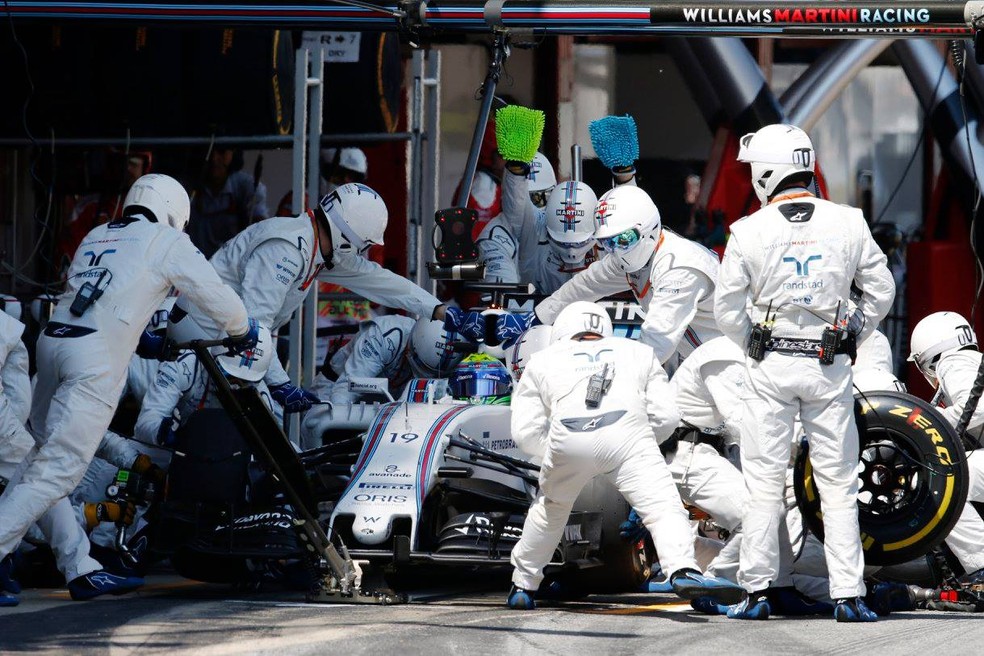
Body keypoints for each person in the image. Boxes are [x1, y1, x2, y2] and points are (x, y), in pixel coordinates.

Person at [0, 173, 259, 605]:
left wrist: (142, 339)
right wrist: (242, 329)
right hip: (93, 358)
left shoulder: (99, 234)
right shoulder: (166, 240)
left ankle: (79, 566)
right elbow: (213, 291)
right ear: (173, 212)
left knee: (39, 462)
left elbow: (102, 298)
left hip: (53, 344)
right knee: (55, 471)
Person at [714, 124, 895, 622]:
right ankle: (849, 596)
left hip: (770, 368)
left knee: (763, 484)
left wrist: (752, 340)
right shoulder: (849, 221)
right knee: (838, 485)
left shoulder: (748, 230)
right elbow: (881, 290)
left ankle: (756, 592)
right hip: (828, 366)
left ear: (766, 173)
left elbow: (726, 309)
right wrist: (854, 331)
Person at [505, 301, 744, 609]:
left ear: (561, 331)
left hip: (568, 437)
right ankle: (683, 569)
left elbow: (525, 434)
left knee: (549, 511)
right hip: (628, 437)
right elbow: (666, 417)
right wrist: (641, 442)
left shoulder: (541, 360)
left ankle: (523, 585)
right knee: (663, 507)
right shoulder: (639, 352)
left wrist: (556, 449)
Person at [170, 183, 454, 415]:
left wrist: (438, 310)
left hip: (225, 342)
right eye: (363, 245)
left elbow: (379, 280)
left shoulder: (313, 246)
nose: (360, 253)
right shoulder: (287, 250)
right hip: (203, 341)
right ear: (348, 238)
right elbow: (257, 322)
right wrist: (281, 385)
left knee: (260, 427)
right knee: (227, 426)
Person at [513, 185, 721, 372]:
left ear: (648, 229)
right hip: (702, 360)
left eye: (623, 239)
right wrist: (537, 317)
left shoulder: (679, 268)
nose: (616, 250)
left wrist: (611, 375)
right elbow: (586, 284)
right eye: (607, 242)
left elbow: (656, 342)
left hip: (730, 359)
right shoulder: (632, 256)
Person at [300, 318, 462, 448]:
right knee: (319, 433)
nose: (427, 375)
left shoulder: (453, 355)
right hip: (338, 391)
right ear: (411, 348)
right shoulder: (383, 336)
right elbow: (344, 393)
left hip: (393, 407)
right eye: (423, 368)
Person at [909, 311, 984, 579]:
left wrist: (927, 420)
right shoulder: (973, 360)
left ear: (926, 359)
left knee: (939, 479)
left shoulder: (953, 362)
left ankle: (980, 564)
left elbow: (978, 408)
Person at [135, 327, 275, 449]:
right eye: (230, 375)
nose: (236, 384)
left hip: (228, 460)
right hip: (175, 450)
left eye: (246, 381)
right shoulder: (182, 365)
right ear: (215, 357)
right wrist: (162, 432)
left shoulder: (261, 398)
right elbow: (146, 423)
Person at [188, 146, 269, 258]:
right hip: (195, 261)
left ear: (234, 154)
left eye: (222, 152)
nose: (214, 158)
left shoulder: (246, 186)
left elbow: (261, 228)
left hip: (232, 263)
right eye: (208, 152)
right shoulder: (189, 186)